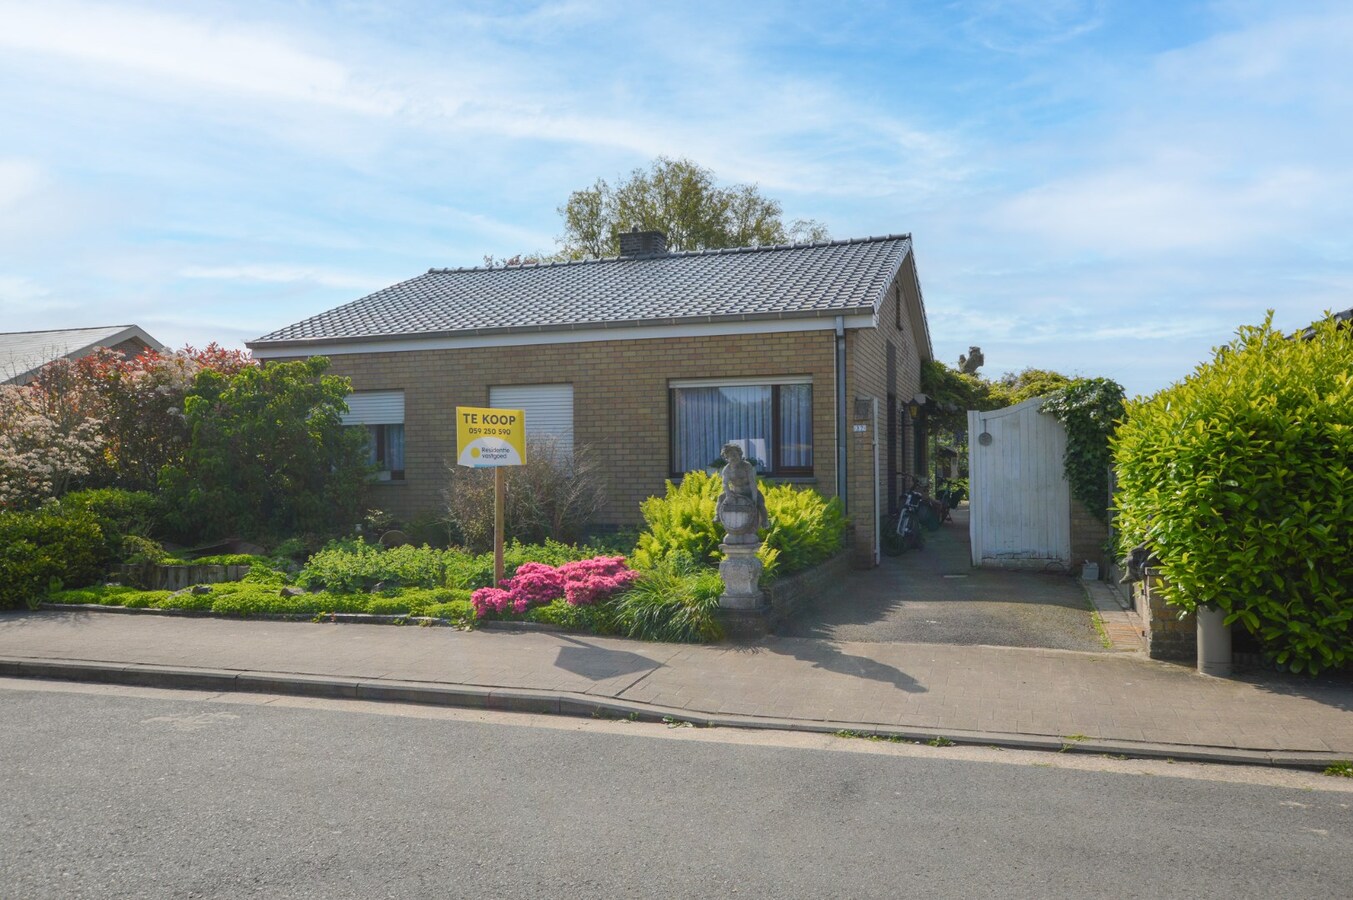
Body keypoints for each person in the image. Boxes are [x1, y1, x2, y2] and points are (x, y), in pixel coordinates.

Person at [715, 442, 769, 533]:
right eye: (730, 456)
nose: (733, 457)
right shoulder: (726, 469)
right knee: (720, 497)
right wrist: (728, 494)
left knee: (760, 504)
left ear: (740, 455)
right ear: (727, 458)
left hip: (749, 490)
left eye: (735, 455)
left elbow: (752, 482)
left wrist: (754, 497)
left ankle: (765, 521)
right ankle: (717, 516)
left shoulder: (746, 466)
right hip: (735, 491)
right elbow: (724, 483)